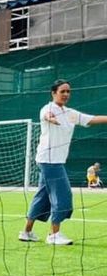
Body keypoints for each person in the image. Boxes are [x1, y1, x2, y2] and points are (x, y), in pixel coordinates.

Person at [19, 80, 107, 245]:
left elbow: (93, 119)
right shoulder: (48, 108)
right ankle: (54, 235)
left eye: (68, 91)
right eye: (62, 91)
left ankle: (26, 232)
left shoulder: (71, 113)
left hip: (52, 161)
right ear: (54, 93)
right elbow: (46, 115)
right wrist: (51, 119)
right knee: (63, 195)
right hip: (49, 161)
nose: (66, 94)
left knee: (42, 197)